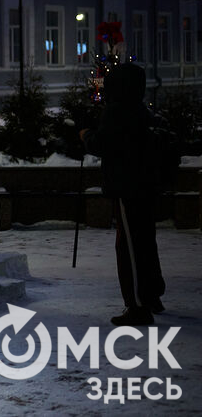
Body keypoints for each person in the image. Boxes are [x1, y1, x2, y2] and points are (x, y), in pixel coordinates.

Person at [79, 63, 166, 326]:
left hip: (127, 186)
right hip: (145, 184)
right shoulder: (139, 109)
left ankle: (138, 305)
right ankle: (151, 295)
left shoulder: (117, 111)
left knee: (129, 245)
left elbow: (104, 144)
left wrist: (85, 134)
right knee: (145, 241)